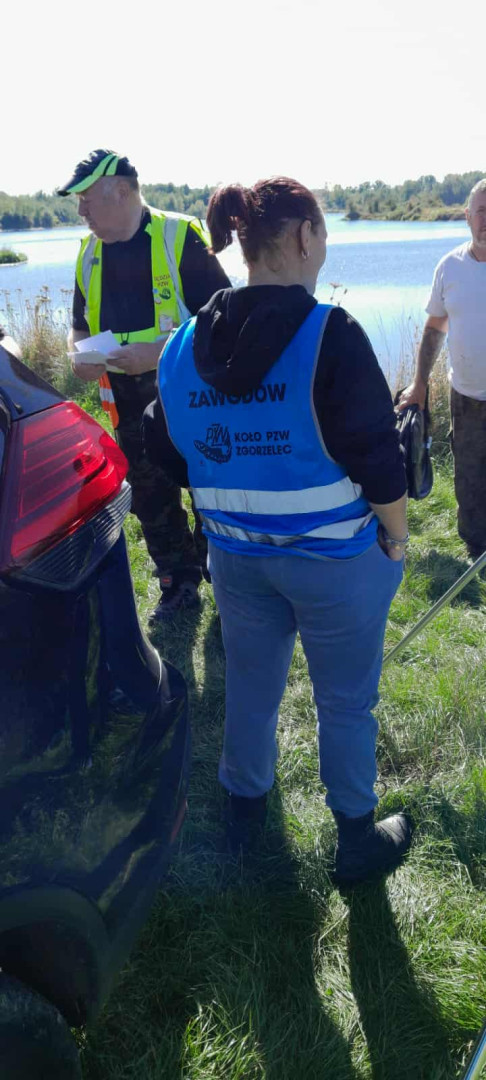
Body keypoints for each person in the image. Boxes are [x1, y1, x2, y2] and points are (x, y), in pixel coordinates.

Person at [145, 176, 413, 885]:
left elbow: (164, 449)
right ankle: (355, 839)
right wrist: (396, 538)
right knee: (345, 702)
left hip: (236, 558)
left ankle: (243, 819)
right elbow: (378, 461)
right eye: (323, 231)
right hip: (335, 562)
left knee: (251, 686)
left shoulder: (181, 346)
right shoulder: (331, 333)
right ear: (302, 236)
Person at [58, 149, 231, 619]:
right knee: (150, 496)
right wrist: (80, 357)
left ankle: (222, 575)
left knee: (208, 487)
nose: (80, 210)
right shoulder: (88, 252)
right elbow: (78, 325)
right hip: (126, 405)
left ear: (121, 190)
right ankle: (177, 581)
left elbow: (224, 320)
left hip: (191, 397)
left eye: (87, 198)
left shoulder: (180, 236)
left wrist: (155, 354)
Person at [399, 178, 486, 562]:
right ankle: (475, 553)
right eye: (481, 211)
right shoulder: (450, 267)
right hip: (465, 398)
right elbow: (435, 328)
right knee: (469, 478)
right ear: (467, 216)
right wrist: (419, 383)